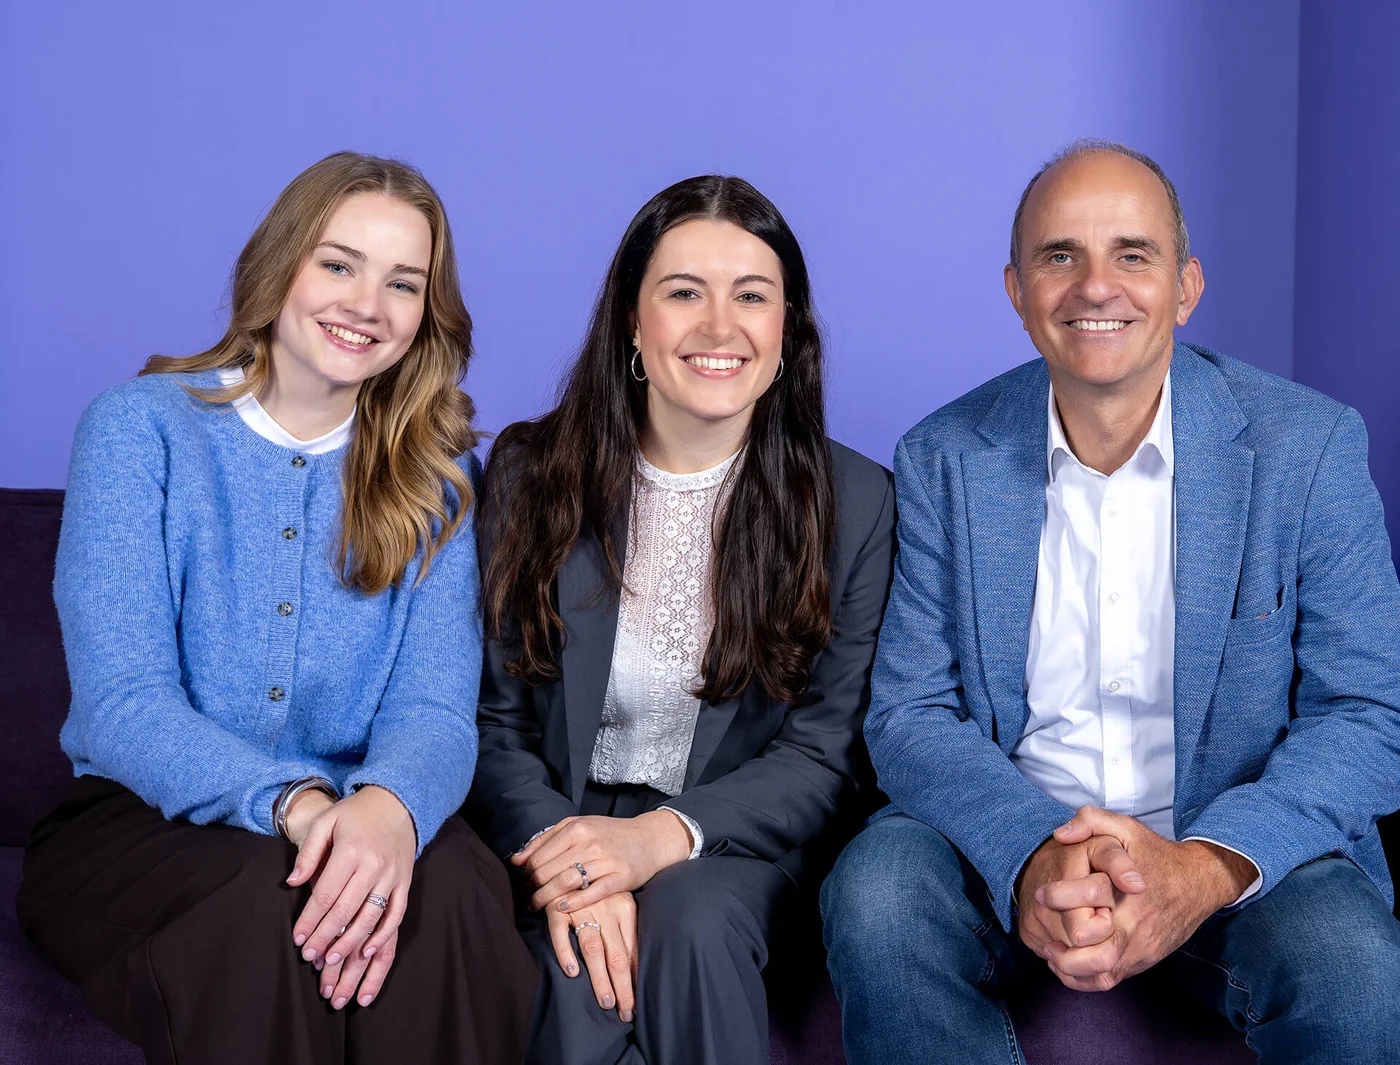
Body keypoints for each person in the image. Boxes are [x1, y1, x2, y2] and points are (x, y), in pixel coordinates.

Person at [821, 140, 1400, 1064]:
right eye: (1061, 256)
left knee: (1354, 959)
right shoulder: (943, 455)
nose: (1097, 287)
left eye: (1133, 253)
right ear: (1016, 290)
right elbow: (910, 713)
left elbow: (1369, 715)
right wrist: (1029, 855)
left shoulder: (1309, 445)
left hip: (1232, 842)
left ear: (1187, 286)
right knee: (877, 893)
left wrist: (1202, 868)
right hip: (1004, 837)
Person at [17, 151, 537, 1065]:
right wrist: (297, 804)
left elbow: (434, 711)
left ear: (425, 315)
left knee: (451, 891)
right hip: (142, 819)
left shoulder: (441, 475)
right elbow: (126, 703)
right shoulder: (139, 429)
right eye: (339, 263)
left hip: (361, 807)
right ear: (280, 265)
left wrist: (387, 809)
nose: (367, 304)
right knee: (264, 904)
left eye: (403, 282)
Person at [467, 174, 895, 1065]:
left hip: (736, 837)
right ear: (633, 320)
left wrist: (654, 842)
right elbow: (494, 722)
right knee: (583, 968)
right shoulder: (526, 472)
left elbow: (824, 753)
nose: (718, 326)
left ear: (787, 331)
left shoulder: (855, 503)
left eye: (751, 295)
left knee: (692, 917)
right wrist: (575, 861)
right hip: (562, 819)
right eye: (683, 292)